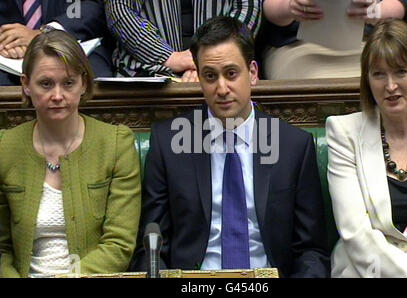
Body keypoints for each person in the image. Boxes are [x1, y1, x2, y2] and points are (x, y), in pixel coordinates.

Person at [131, 16, 330, 277]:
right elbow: (150, 248)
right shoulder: (169, 144)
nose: (221, 88)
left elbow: (311, 250)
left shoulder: (293, 145)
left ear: (254, 73)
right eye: (210, 76)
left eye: (231, 73)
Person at [0, 29, 141, 277]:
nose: (57, 96)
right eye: (45, 84)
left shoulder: (115, 144)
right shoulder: (5, 148)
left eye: (68, 83)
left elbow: (118, 246)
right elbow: (2, 250)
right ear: (26, 85)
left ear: (83, 83)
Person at [326, 19, 407, 277]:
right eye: (379, 74)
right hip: (364, 269)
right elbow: (355, 231)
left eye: (401, 71)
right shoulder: (344, 133)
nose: (390, 86)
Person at [105, 0, 261, 81]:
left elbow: (248, 6)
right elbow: (120, 10)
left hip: (222, 68)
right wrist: (167, 57)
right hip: (147, 71)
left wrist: (211, 60)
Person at [260, 0, 405, 79]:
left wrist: (377, 11)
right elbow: (268, 9)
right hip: (297, 46)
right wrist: (290, 7)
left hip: (366, 44)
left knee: (389, 79)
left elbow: (398, 7)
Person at [0, 0, 114, 86]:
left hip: (77, 40)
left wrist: (46, 33)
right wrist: (7, 41)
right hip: (7, 53)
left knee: (95, 81)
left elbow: (93, 5)